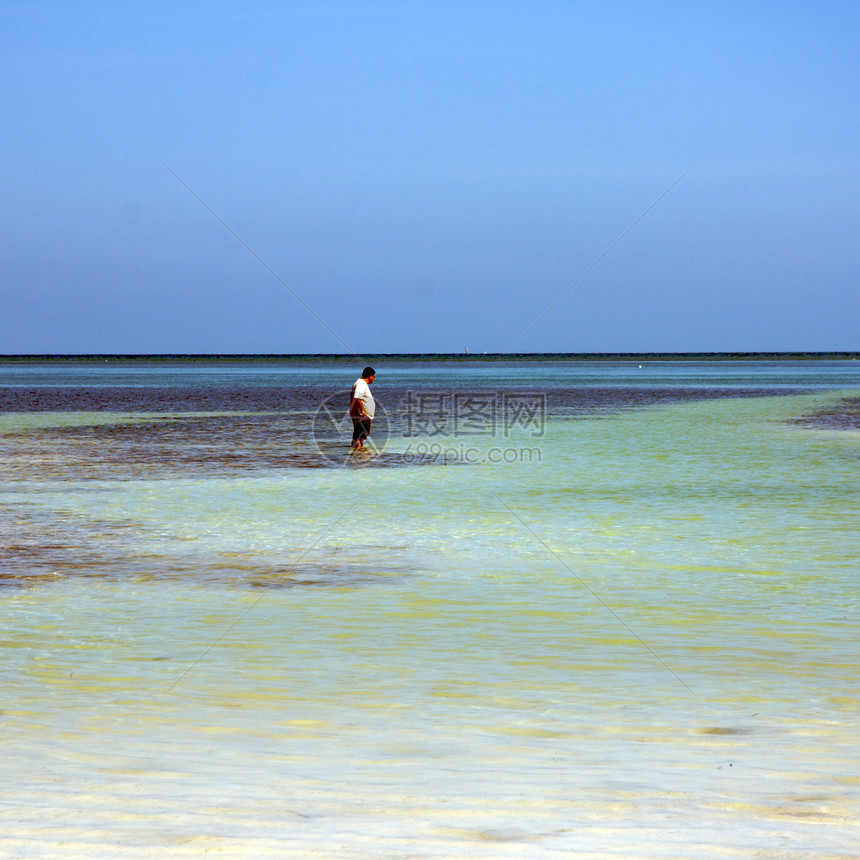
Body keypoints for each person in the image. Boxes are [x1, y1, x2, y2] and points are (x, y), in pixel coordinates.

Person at [349, 366, 376, 449]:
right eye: (374, 377)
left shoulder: (361, 384)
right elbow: (357, 397)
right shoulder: (361, 383)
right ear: (370, 376)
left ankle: (357, 453)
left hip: (362, 415)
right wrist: (363, 411)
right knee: (359, 437)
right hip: (361, 415)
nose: (373, 379)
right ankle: (358, 454)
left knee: (360, 437)